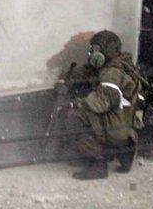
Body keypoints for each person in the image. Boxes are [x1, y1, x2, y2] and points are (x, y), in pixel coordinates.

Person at [57, 30, 148, 180]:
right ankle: (125, 150)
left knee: (74, 117)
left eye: (95, 50)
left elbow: (101, 102)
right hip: (124, 125)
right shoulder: (121, 65)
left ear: (104, 51)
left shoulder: (111, 73)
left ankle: (97, 162)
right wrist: (65, 78)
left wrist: (75, 104)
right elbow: (86, 72)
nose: (91, 53)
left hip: (114, 128)